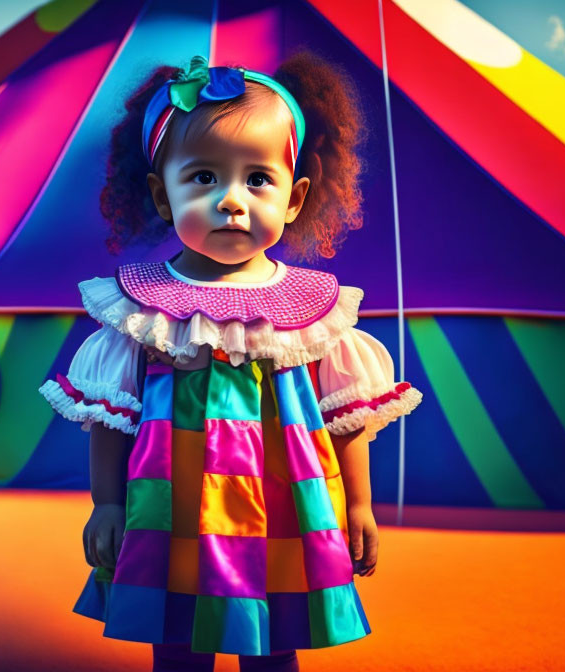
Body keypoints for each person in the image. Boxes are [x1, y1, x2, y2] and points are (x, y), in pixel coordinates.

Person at [39, 50, 423, 672]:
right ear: (161, 197)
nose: (232, 201)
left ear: (295, 197)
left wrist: (359, 505)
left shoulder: (314, 309)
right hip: (173, 508)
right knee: (177, 640)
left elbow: (346, 416)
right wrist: (105, 504)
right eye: (204, 179)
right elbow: (111, 419)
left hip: (284, 510)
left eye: (258, 180)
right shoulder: (142, 308)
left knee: (276, 642)